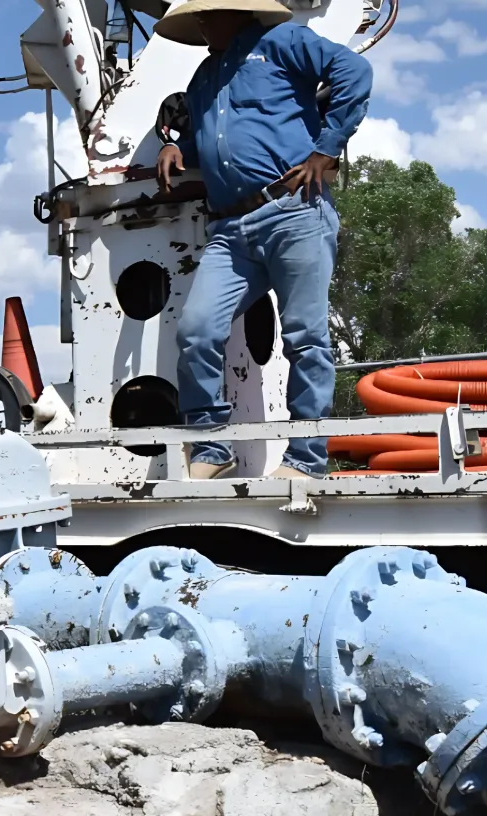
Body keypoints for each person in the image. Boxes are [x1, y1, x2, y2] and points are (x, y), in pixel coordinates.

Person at [154, 0, 373, 479]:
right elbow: (208, 135)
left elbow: (354, 70)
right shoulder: (205, 76)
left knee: (305, 337)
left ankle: (305, 459)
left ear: (237, 12)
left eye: (208, 14)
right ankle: (211, 448)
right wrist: (176, 146)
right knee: (196, 329)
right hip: (229, 228)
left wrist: (326, 149)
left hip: (293, 212)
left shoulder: (283, 42)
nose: (202, 22)